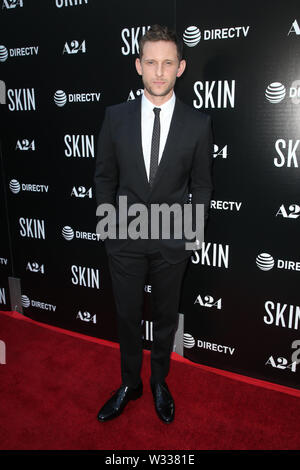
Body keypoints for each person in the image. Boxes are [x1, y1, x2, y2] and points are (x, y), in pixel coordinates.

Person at [94, 24, 213, 423]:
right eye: (151, 62)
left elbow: (202, 186)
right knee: (127, 316)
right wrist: (109, 231)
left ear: (181, 67)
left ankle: (159, 380)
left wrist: (188, 237)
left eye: (167, 63)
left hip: (172, 240)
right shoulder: (115, 118)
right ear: (138, 66)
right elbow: (104, 178)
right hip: (124, 238)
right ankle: (131, 382)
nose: (159, 72)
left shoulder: (198, 123)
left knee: (165, 318)